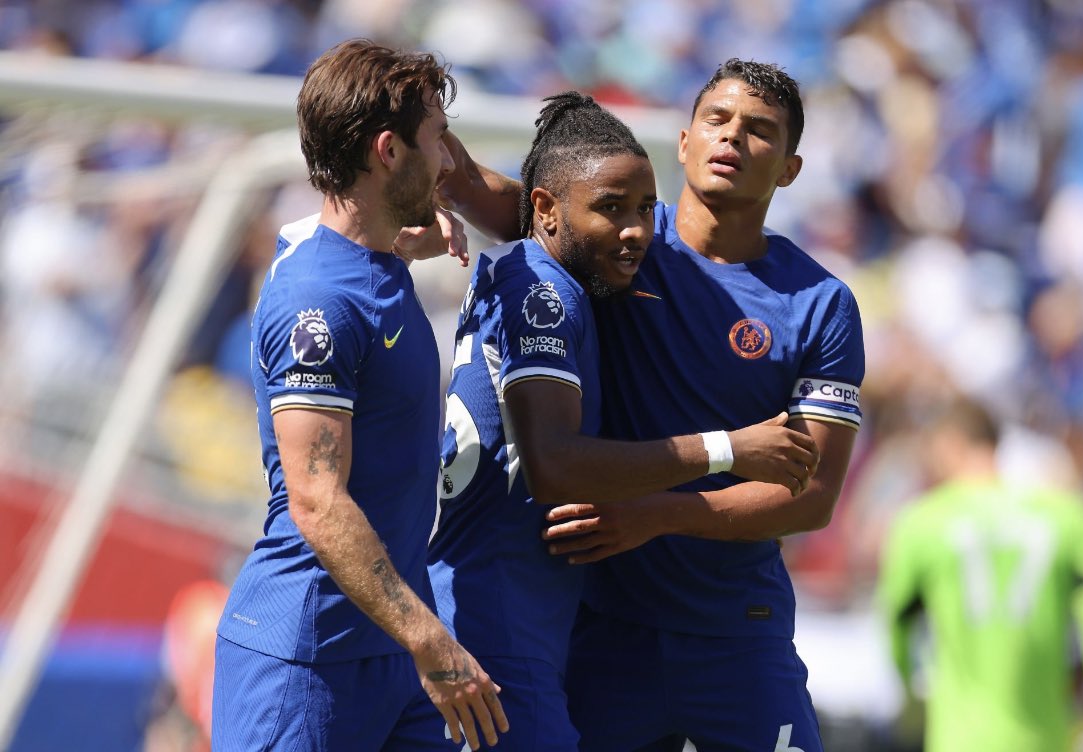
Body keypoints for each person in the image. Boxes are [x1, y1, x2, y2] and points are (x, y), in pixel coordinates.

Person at [440, 58, 865, 752]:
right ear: (685, 141)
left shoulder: (820, 304)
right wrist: (422, 182)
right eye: (717, 121)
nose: (731, 138)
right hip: (606, 629)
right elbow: (494, 193)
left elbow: (812, 494)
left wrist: (654, 517)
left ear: (788, 169)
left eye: (759, 131)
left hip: (737, 629)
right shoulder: (615, 238)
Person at [211, 39, 507, 751]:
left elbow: (331, 248)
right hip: (307, 660)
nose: (447, 163)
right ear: (387, 150)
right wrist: (428, 638)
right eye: (436, 141)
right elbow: (317, 500)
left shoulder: (361, 260)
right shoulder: (318, 301)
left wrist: (404, 243)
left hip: (389, 652)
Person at [878, 397, 1083, 752]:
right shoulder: (1071, 518)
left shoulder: (921, 523)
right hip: (1046, 737)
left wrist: (911, 693)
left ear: (950, 445)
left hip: (959, 738)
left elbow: (896, 624)